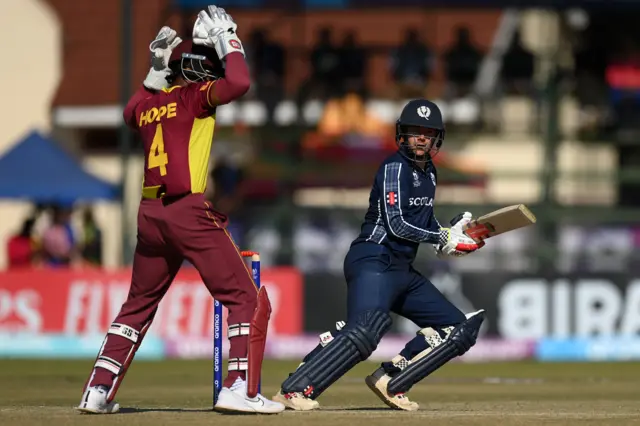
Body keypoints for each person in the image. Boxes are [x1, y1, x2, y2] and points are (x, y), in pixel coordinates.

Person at [76, 5, 284, 415]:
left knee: (137, 305)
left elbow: (129, 111)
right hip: (187, 213)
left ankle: (97, 391)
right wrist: (230, 39)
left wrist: (152, 73)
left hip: (150, 215)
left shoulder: (150, 106)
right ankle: (239, 388)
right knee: (247, 297)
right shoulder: (194, 98)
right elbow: (239, 81)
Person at [273, 100, 487, 411]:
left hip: (401, 268)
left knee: (457, 329)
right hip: (373, 258)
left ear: (437, 137)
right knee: (366, 328)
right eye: (415, 132)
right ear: (403, 134)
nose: (421, 138)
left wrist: (452, 238)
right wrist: (441, 236)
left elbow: (424, 224)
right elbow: (396, 223)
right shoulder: (393, 167)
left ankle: (392, 379)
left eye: (428, 132)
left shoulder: (430, 174)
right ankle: (294, 389)